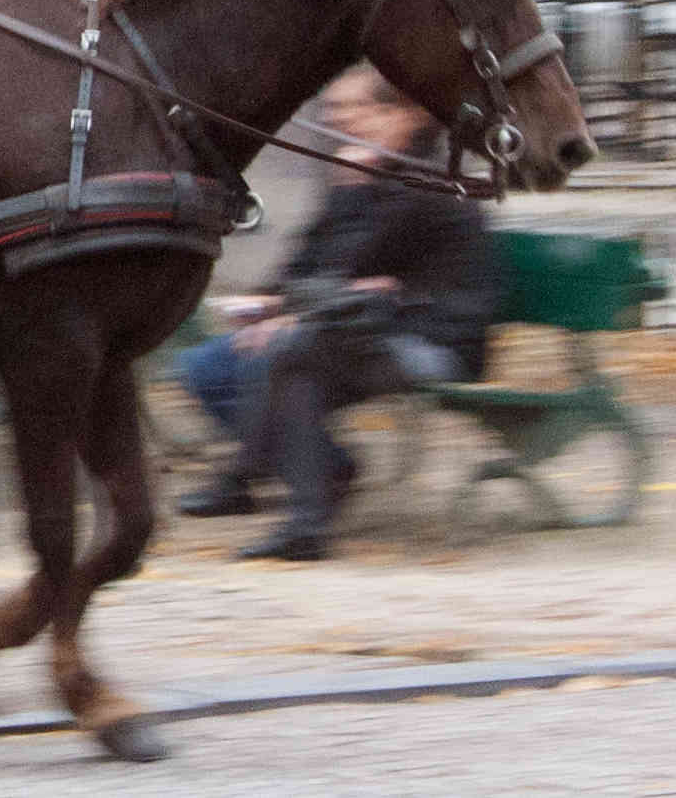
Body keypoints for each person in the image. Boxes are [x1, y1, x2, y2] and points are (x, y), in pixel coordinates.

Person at [177, 67, 503, 561]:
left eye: (362, 111)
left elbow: (356, 269)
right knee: (218, 367)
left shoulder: (428, 185)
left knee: (288, 355)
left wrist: (301, 305)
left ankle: (260, 493)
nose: (345, 124)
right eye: (335, 113)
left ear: (409, 117)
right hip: (367, 329)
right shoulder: (377, 176)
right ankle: (314, 489)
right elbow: (321, 267)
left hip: (434, 343)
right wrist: (276, 302)